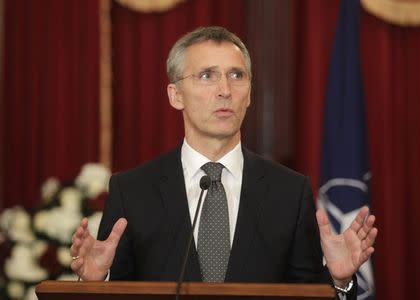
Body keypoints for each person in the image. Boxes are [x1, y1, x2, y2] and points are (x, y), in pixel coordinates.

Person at [70, 26, 377, 298]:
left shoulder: (290, 192)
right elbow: (121, 292)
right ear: (176, 95)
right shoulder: (132, 190)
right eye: (207, 75)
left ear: (249, 94)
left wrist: (338, 280)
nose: (225, 91)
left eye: (236, 75)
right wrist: (96, 284)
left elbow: (303, 294)